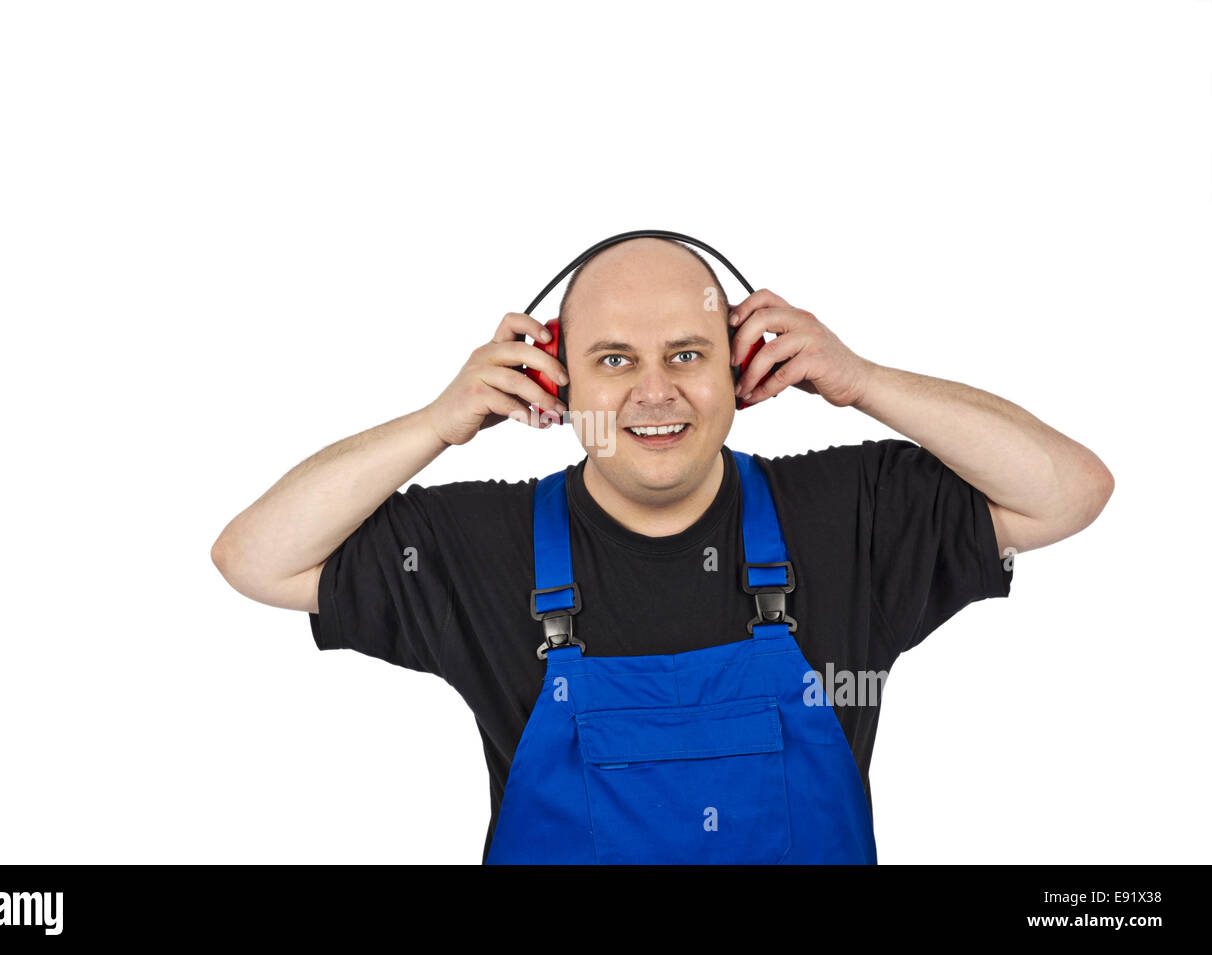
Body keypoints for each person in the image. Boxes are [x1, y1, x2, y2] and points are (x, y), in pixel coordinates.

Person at [211, 237, 1113, 863]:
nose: (654, 393)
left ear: (742, 371)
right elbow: (255, 556)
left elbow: (1070, 489)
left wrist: (861, 381)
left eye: (687, 354)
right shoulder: (477, 545)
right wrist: (439, 422)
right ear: (555, 382)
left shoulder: (852, 513)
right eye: (611, 360)